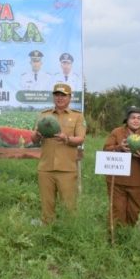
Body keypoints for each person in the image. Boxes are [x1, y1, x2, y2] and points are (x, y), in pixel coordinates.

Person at [32, 83, 87, 224]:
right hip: (45, 168)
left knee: (69, 206)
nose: (60, 98)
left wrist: (66, 138)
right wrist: (37, 136)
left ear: (70, 97)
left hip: (67, 169)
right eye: (57, 95)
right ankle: (47, 234)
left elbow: (81, 139)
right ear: (53, 96)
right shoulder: (43, 115)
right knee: (47, 207)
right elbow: (33, 139)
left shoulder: (77, 117)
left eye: (63, 95)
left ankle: (68, 236)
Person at [102, 105, 140, 226]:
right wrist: (119, 148)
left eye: (139, 118)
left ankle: (128, 236)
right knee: (117, 212)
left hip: (137, 182)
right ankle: (114, 239)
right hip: (117, 181)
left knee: (134, 212)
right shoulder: (117, 133)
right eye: (133, 118)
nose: (136, 120)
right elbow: (105, 150)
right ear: (127, 119)